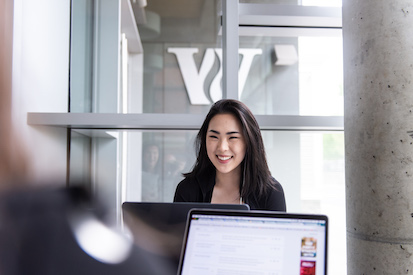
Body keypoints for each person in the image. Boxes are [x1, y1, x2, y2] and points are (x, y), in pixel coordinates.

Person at [174, 99, 286, 211]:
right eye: (214, 137)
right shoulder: (187, 190)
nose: (222, 147)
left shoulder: (271, 193)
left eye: (233, 137)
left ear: (249, 142)